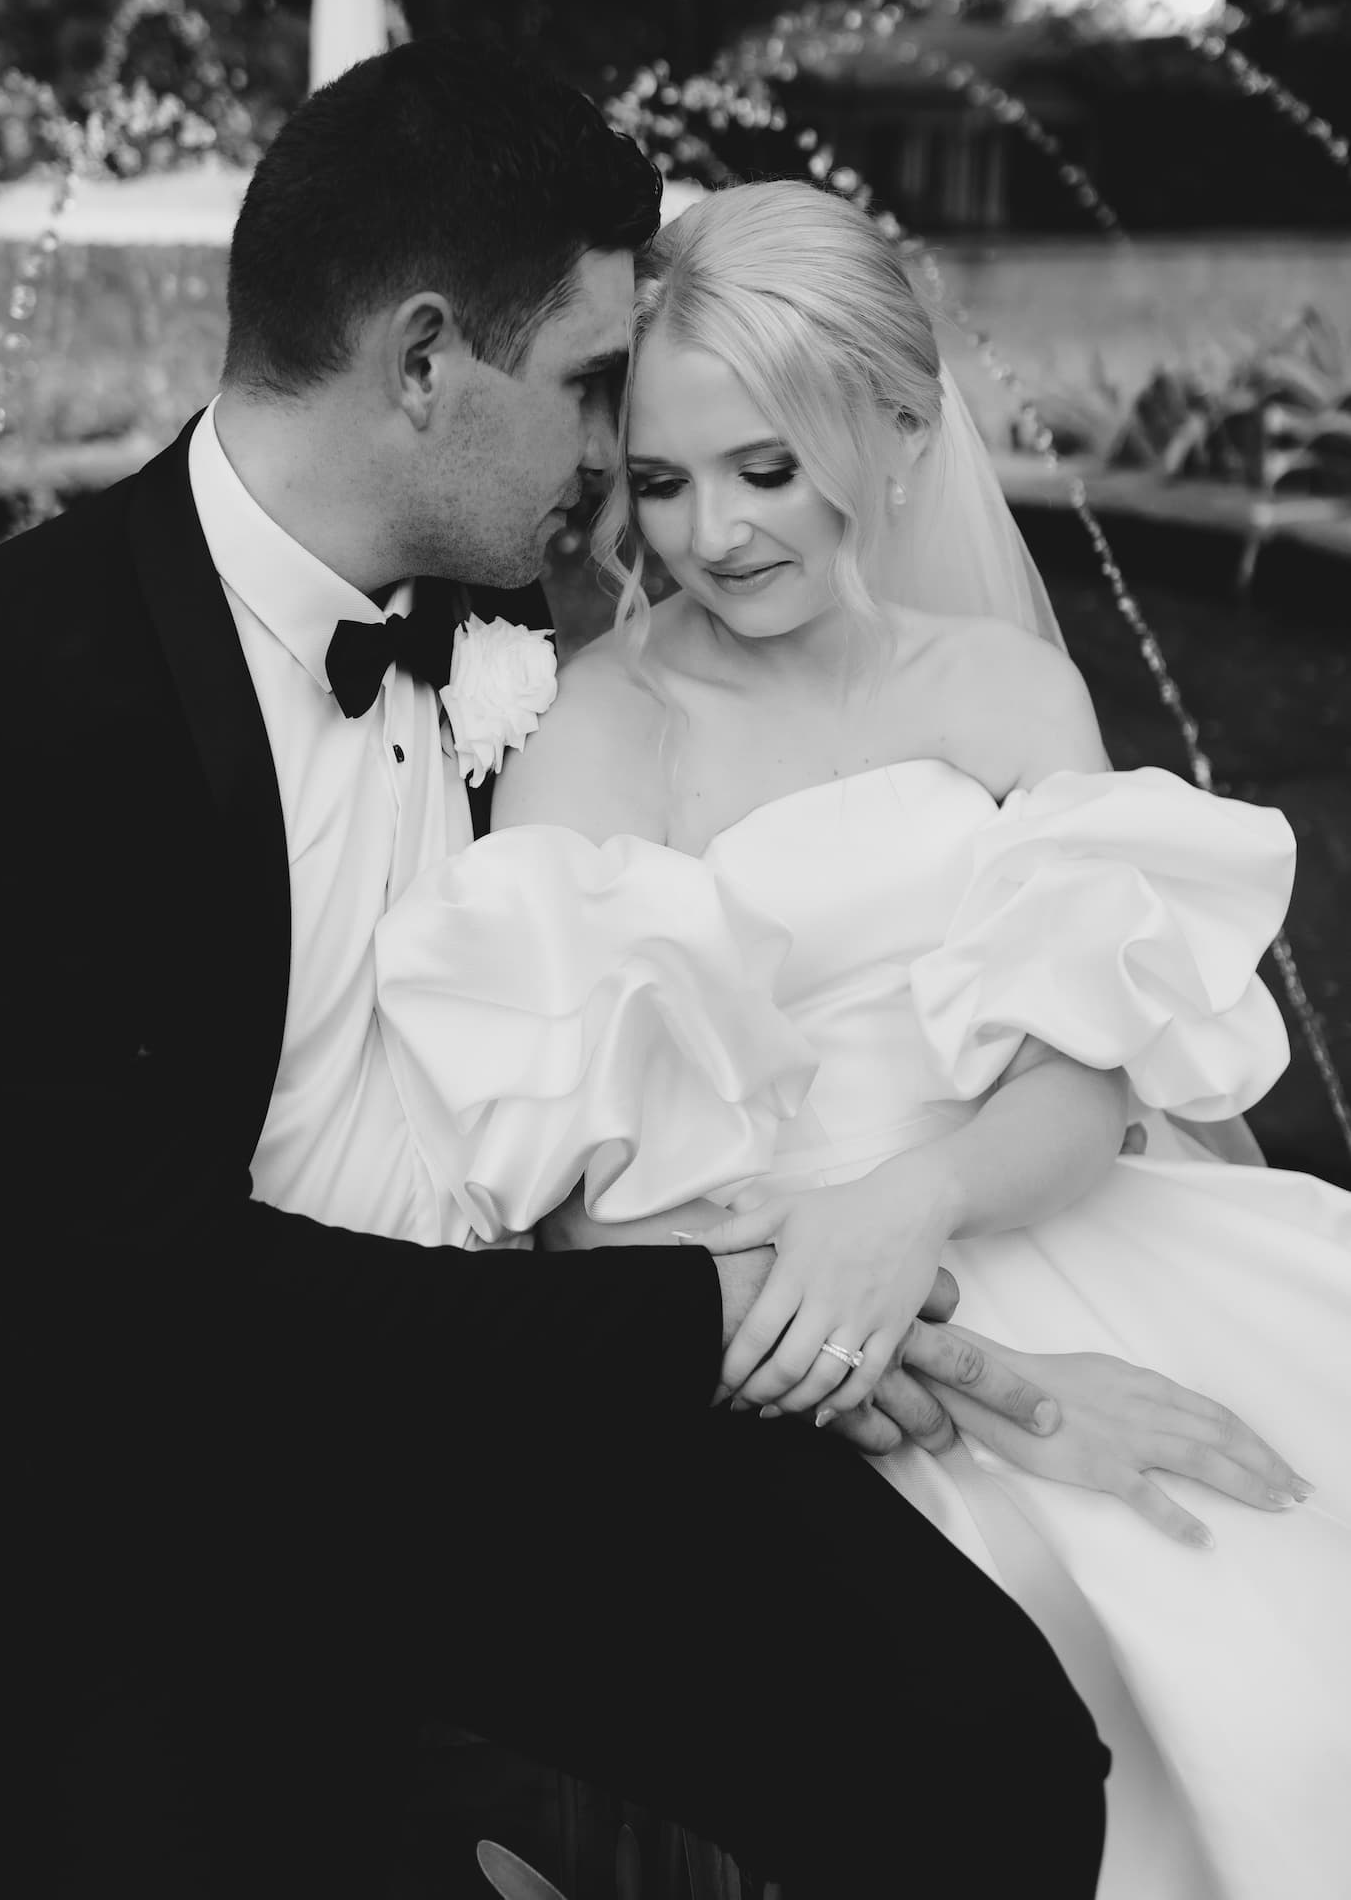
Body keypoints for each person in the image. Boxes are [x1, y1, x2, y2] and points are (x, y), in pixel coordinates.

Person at [0, 44, 1120, 1900]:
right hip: (188, 1489)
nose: (626, 469)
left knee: (986, 1747)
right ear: (427, 363)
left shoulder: (511, 611)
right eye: (594, 388)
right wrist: (723, 1313)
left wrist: (843, 1269)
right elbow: (132, 1305)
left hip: (529, 1416)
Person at [372, 179, 1351, 1900]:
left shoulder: (999, 690)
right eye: (662, 485)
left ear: (897, 434)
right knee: (1114, 1645)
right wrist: (1001, 1389)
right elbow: (590, 1217)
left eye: (766, 470)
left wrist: (911, 1207)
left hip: (1027, 1220)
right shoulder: (605, 732)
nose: (712, 536)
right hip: (794, 1334)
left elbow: (1082, 1071)